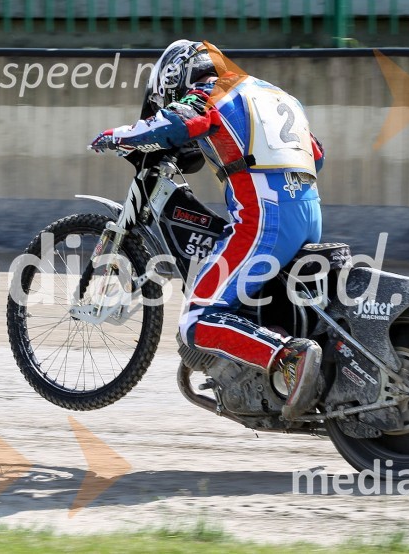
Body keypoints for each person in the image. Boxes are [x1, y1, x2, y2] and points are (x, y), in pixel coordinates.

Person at [90, 40, 326, 420]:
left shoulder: (210, 92)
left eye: (170, 94)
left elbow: (181, 121)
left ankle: (288, 358)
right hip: (309, 211)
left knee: (197, 319)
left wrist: (120, 135)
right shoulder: (271, 93)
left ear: (177, 75)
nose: (172, 100)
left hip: (265, 221)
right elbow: (316, 154)